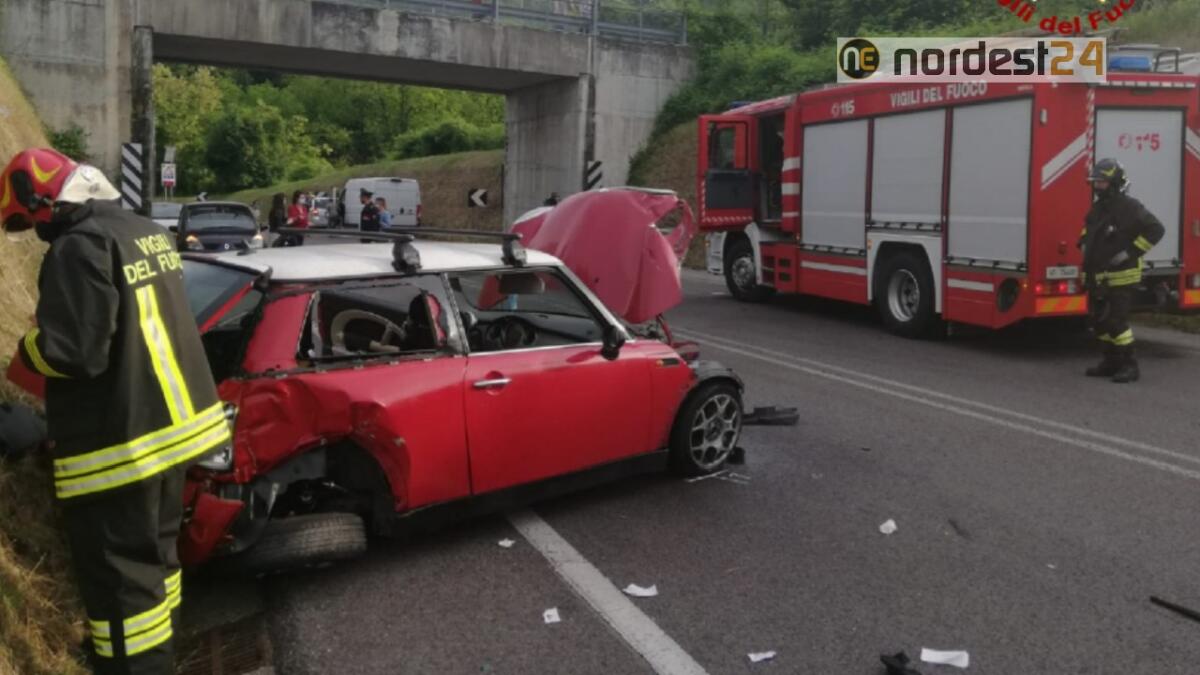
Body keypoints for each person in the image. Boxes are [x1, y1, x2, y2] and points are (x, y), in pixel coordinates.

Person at [1, 148, 231, 674]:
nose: (32, 231)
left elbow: (75, 352)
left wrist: (27, 348)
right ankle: (158, 651)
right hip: (175, 434)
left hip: (121, 445)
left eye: (28, 219)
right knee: (157, 558)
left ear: (44, 199)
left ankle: (135, 663)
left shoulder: (78, 248)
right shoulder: (141, 229)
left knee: (121, 578)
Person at [1079, 158, 1164, 384]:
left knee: (1117, 322)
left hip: (1121, 276)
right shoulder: (1099, 208)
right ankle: (1111, 362)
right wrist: (1084, 242)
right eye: (1095, 182)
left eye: (1102, 183)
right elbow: (1087, 228)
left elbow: (1156, 229)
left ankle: (1130, 366)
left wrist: (1131, 252)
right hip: (1098, 275)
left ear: (1115, 183)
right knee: (1100, 322)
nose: (1097, 187)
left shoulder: (1130, 207)